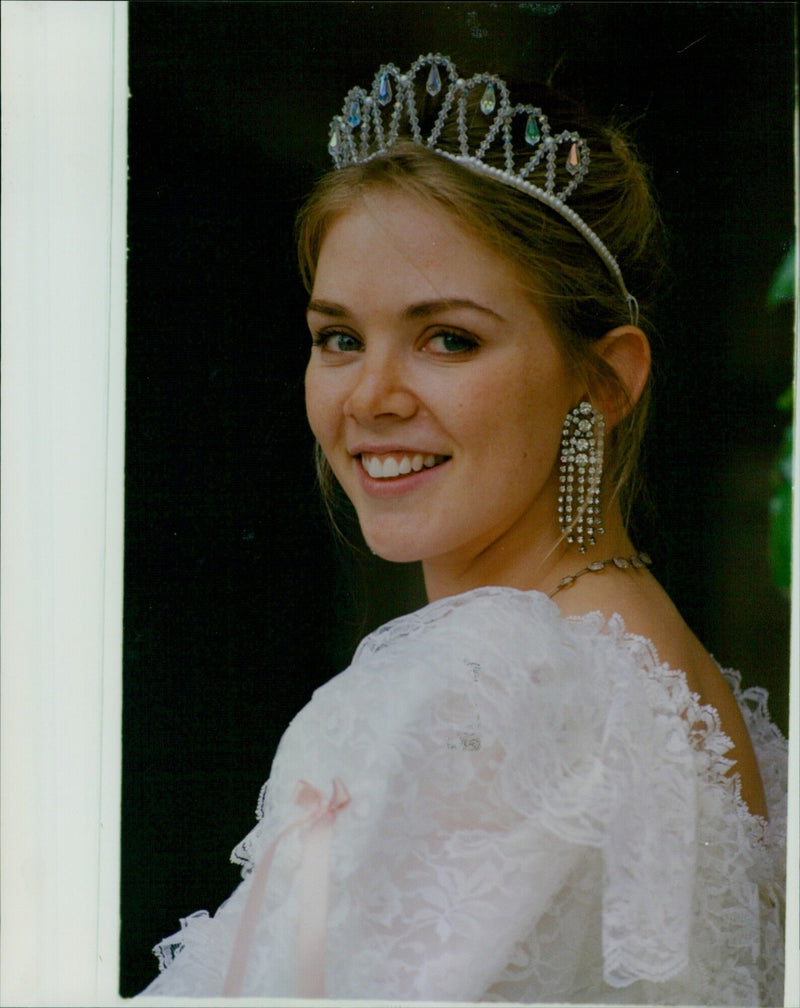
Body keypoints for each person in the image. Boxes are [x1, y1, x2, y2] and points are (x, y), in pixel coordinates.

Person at [139, 54, 786, 1004]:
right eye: (339, 338)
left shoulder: (480, 683)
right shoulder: (658, 669)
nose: (371, 397)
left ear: (605, 379)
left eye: (450, 339)